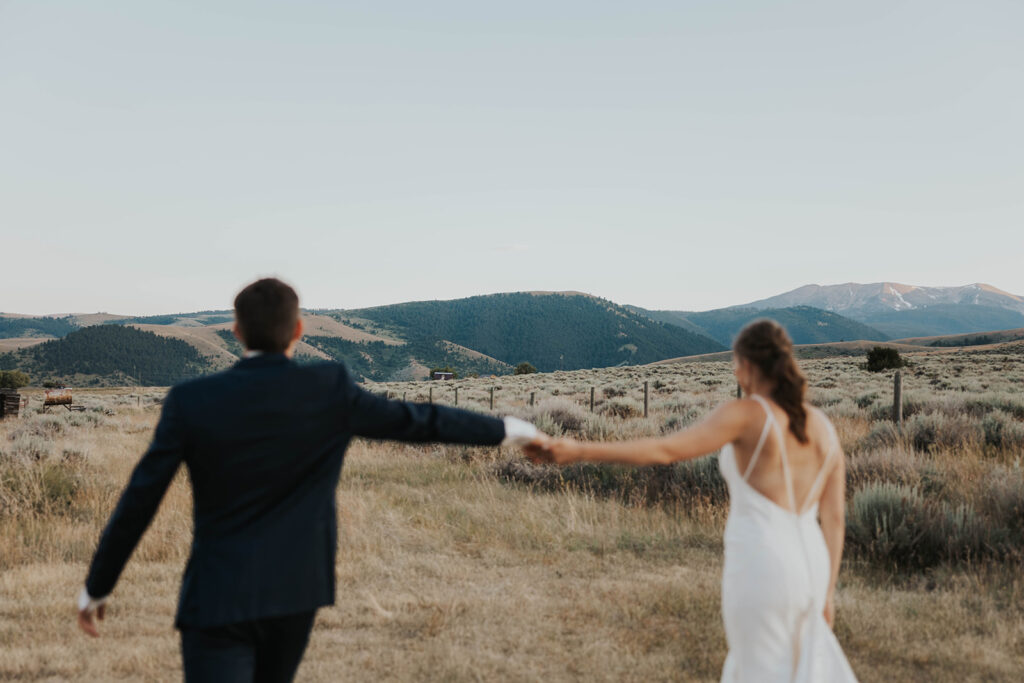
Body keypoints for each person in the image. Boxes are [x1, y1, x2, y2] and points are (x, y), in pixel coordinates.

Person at [76, 278, 540, 683]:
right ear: (298, 330)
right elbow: (419, 420)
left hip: (217, 595)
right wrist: (509, 429)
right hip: (295, 594)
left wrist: (99, 584)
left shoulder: (191, 400)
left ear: (235, 332)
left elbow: (141, 498)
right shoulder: (329, 389)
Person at [526, 320, 858, 682]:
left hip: (765, 564)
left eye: (735, 363)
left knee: (758, 671)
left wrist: (579, 450)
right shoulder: (824, 427)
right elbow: (835, 518)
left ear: (746, 365)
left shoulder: (748, 414)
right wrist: (827, 593)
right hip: (813, 566)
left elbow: (666, 450)